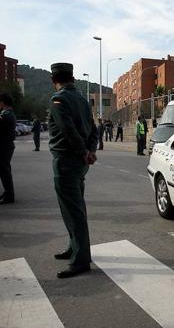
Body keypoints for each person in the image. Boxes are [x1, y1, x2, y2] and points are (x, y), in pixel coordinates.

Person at [48, 62, 98, 279]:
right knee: (75, 208)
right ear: (72, 78)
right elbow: (93, 129)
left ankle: (81, 260)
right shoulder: (82, 100)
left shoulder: (58, 99)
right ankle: (73, 247)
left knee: (73, 211)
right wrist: (90, 151)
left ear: (54, 80)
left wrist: (83, 151)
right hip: (80, 161)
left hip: (68, 160)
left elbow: (67, 129)